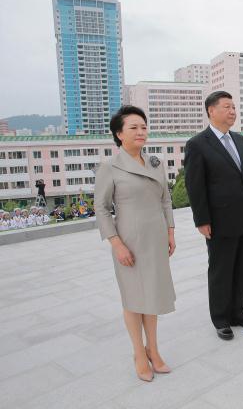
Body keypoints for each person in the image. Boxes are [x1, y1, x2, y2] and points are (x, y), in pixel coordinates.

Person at [94, 105, 176, 382]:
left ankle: (153, 349)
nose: (141, 132)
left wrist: (171, 231)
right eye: (134, 127)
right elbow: (102, 208)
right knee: (133, 299)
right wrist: (116, 244)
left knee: (151, 295)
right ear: (119, 134)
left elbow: (166, 199)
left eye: (143, 126)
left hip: (155, 238)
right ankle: (139, 354)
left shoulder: (155, 162)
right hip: (129, 240)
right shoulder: (110, 166)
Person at [184, 91, 243, 341]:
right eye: (227, 107)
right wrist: (202, 220)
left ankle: (239, 311)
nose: (232, 111)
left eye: (234, 107)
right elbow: (195, 186)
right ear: (211, 111)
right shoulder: (198, 144)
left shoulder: (241, 140)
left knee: (242, 268)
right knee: (221, 270)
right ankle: (220, 318)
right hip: (219, 220)